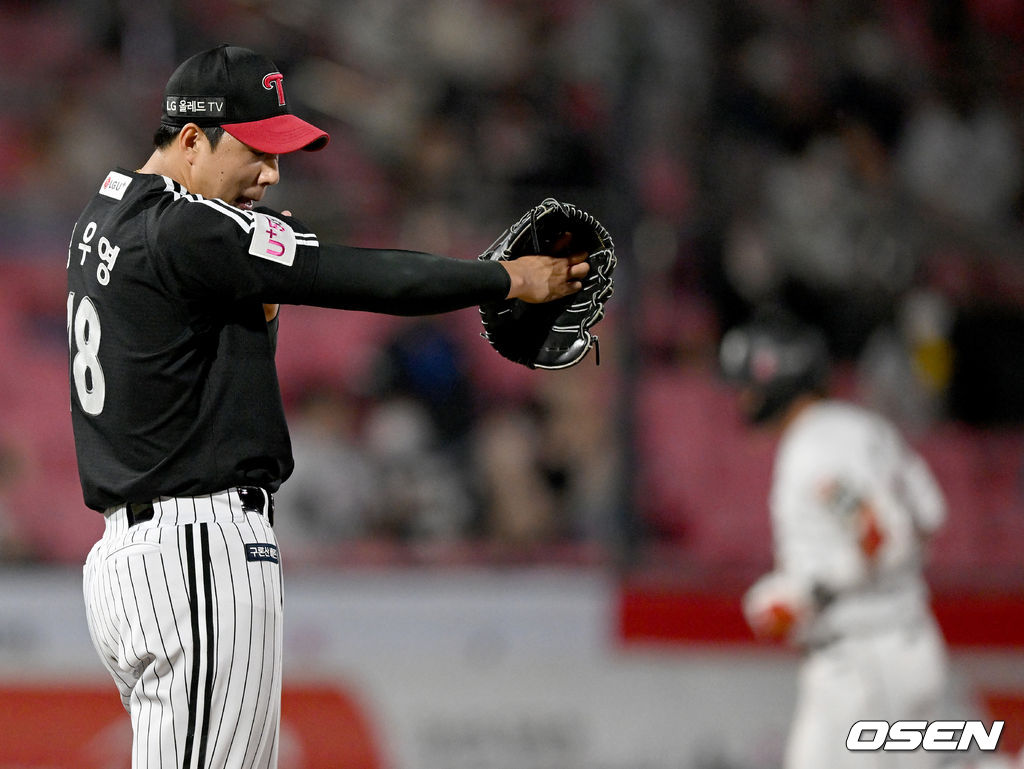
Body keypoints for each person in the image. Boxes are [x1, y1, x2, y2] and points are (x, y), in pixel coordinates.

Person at [71, 44, 591, 769]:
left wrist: (261, 302)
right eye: (256, 150)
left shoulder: (106, 212)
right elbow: (364, 276)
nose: (272, 172)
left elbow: (190, 355)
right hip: (196, 548)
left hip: (133, 557)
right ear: (191, 139)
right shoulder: (191, 229)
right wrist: (506, 278)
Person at [718, 312, 950, 769]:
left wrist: (805, 594)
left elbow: (882, 537)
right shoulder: (864, 426)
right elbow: (929, 515)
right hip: (909, 643)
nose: (742, 398)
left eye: (748, 385)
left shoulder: (814, 446)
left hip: (862, 664)